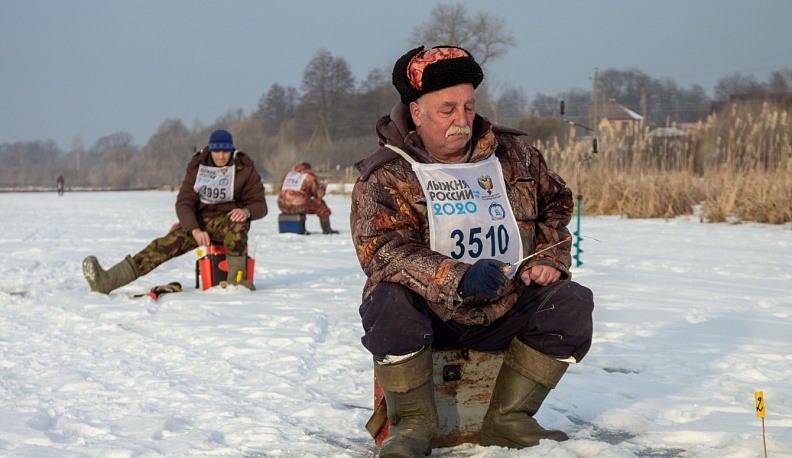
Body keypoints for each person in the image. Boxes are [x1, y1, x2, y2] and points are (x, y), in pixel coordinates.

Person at [350, 46, 595, 456]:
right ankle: (412, 425)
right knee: (387, 301)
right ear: (416, 112)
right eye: (447, 109)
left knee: (571, 303)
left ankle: (509, 418)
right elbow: (381, 250)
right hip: (431, 313)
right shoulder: (386, 174)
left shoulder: (514, 155)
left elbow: (557, 204)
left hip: (505, 304)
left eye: (468, 106)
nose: (461, 120)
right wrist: (458, 276)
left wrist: (549, 257)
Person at [82, 129, 268, 293]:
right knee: (161, 247)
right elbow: (184, 202)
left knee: (237, 223)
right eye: (217, 151)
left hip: (229, 223)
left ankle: (238, 285)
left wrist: (246, 212)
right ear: (210, 150)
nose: (221, 156)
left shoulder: (244, 167)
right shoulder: (198, 167)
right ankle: (107, 281)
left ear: (232, 150)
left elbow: (260, 204)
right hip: (199, 223)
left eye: (225, 151)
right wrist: (193, 229)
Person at [277, 162, 339, 234]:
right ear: (308, 168)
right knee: (321, 204)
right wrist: (324, 186)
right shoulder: (308, 176)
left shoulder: (288, 175)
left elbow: (282, 189)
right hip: (299, 206)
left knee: (301, 202)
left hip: (283, 206)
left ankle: (300, 227)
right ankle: (327, 229)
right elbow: (319, 194)